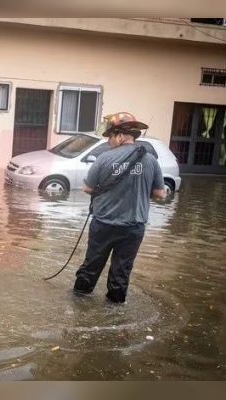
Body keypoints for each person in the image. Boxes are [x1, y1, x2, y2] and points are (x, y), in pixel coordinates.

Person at [73, 112, 165, 303]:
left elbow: (87, 188)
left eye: (110, 137)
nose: (109, 142)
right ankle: (115, 314)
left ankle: (78, 303)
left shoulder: (103, 158)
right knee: (121, 273)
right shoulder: (151, 161)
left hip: (103, 225)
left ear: (120, 135)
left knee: (91, 267)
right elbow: (160, 194)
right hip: (133, 227)